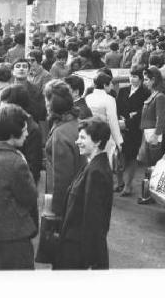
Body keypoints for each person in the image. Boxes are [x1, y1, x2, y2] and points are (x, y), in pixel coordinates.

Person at [0, 104, 38, 270]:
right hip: (13, 236)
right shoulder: (15, 161)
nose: (27, 132)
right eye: (23, 129)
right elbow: (30, 196)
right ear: (11, 133)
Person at [55, 118, 113, 270]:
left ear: (97, 142)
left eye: (82, 138)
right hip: (75, 244)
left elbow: (93, 219)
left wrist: (90, 259)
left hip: (78, 250)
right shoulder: (92, 165)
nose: (77, 142)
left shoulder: (96, 172)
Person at [45, 80, 84, 218]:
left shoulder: (60, 133)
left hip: (67, 205)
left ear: (51, 104)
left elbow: (62, 178)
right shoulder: (75, 123)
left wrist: (57, 211)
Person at [116, 67, 151, 196]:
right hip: (120, 128)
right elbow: (117, 107)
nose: (132, 79)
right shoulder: (123, 90)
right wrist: (121, 118)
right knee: (120, 157)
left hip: (135, 130)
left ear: (141, 79)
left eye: (135, 76)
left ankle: (128, 185)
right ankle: (119, 182)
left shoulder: (145, 93)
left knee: (131, 157)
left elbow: (144, 112)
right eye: (131, 76)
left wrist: (131, 119)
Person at [138, 66, 165, 203]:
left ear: (153, 80)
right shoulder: (155, 94)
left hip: (153, 135)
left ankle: (150, 195)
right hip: (149, 134)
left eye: (146, 79)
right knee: (149, 166)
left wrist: (156, 136)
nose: (144, 82)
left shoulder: (159, 96)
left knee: (153, 166)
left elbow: (161, 119)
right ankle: (148, 194)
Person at [0, 84, 43, 185]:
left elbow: (33, 169)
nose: (1, 109)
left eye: (5, 106)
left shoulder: (32, 130)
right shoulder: (8, 122)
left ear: (18, 106)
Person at [85, 72, 124, 167]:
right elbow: (113, 122)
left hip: (89, 134)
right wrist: (119, 142)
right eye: (110, 83)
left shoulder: (88, 97)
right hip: (105, 137)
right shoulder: (109, 99)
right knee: (104, 165)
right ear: (104, 85)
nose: (112, 85)